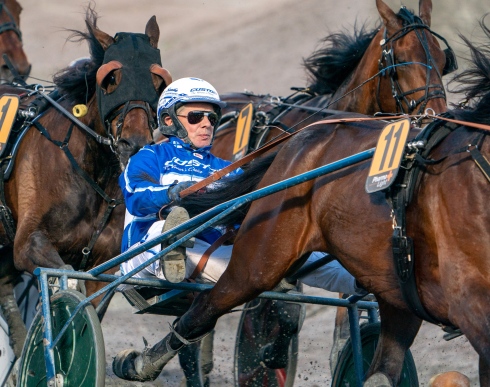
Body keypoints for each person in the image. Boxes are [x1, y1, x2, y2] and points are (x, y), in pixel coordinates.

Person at [114, 77, 366, 382]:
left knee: (292, 250)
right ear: (168, 120)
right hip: (146, 255)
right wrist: (175, 194)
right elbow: (136, 198)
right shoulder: (151, 157)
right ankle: (176, 245)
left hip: (213, 256)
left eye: (212, 117)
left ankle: (366, 280)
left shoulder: (227, 168)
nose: (206, 124)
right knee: (169, 228)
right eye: (196, 117)